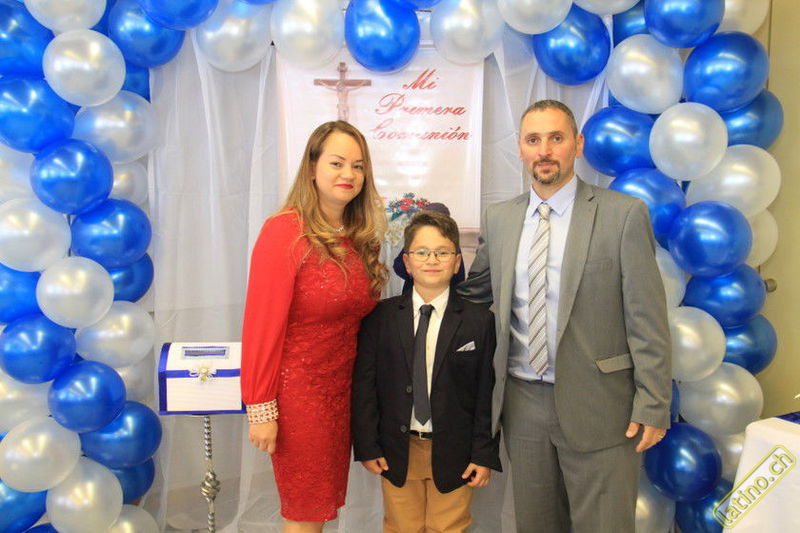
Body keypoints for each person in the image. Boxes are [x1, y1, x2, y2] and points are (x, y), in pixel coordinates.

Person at [458, 100, 671, 533]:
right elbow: (474, 295)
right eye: (533, 140)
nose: (545, 151)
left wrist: (653, 404)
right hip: (522, 405)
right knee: (536, 524)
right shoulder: (500, 219)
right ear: (520, 149)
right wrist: (417, 277)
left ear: (578, 144)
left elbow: (647, 318)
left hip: (602, 405)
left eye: (556, 138)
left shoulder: (623, 215)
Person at [241, 121, 388, 533]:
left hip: (342, 393)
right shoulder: (285, 231)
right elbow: (261, 325)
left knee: (323, 508)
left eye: (358, 166)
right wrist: (261, 409)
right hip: (299, 397)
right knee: (305, 512)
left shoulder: (358, 237)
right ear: (311, 168)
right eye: (337, 163)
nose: (349, 174)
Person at [352, 211, 501, 533]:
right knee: (400, 526)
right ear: (407, 262)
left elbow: (487, 394)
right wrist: (367, 445)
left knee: (449, 526)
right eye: (422, 252)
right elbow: (365, 386)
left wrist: (484, 453)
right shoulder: (381, 318)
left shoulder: (480, 321)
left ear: (457, 262)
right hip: (397, 448)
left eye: (442, 252)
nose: (432, 260)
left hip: (456, 450)